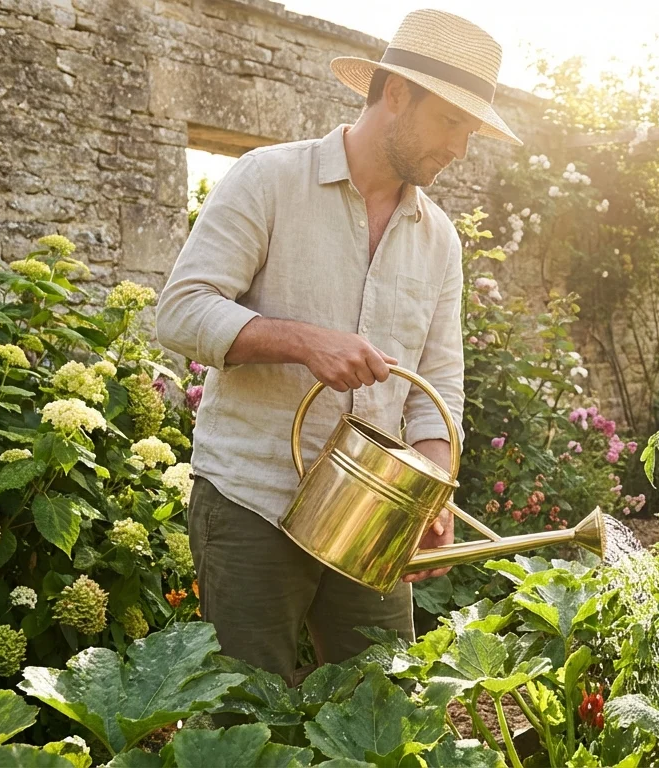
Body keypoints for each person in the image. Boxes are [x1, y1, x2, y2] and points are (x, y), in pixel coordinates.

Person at [156, 8, 522, 681]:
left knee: (382, 708)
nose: (460, 148)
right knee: (248, 711)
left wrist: (434, 488)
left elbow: (438, 382)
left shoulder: (440, 237)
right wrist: (303, 342)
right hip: (250, 499)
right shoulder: (268, 179)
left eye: (470, 132)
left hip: (372, 513)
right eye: (451, 123)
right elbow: (180, 313)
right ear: (396, 94)